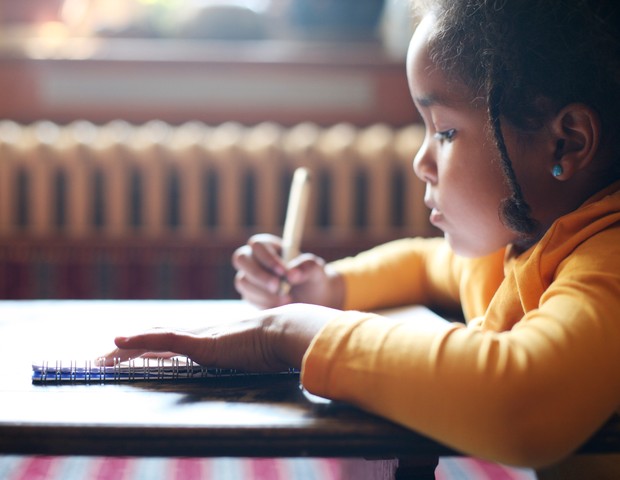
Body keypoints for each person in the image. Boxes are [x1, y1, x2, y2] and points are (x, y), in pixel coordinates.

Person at [101, 0, 620, 473]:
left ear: (566, 142)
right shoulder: (522, 246)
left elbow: (521, 403)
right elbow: (424, 265)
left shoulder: (609, 257)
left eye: (444, 131)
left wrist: (291, 333)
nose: (422, 161)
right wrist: (327, 287)